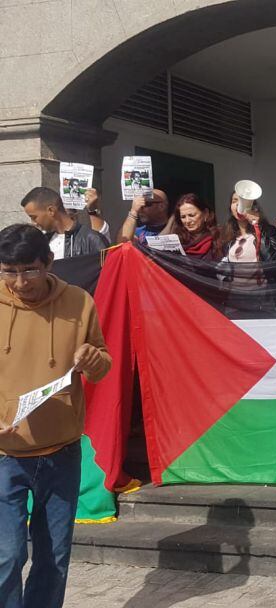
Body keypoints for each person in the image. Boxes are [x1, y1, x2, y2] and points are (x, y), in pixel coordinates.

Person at [0, 224, 112, 608]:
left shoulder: (79, 302)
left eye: (29, 270)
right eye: (8, 271)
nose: (19, 282)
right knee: (7, 556)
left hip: (61, 452)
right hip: (4, 454)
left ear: (48, 263)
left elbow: (102, 362)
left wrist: (92, 359)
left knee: (54, 558)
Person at [20, 187, 109, 260]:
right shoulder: (41, 242)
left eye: (34, 217)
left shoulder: (91, 238)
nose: (33, 223)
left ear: (51, 210)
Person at [222, 194, 276, 262]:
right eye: (234, 201)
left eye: (243, 201)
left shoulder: (270, 231)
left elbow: (273, 261)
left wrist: (258, 226)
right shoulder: (228, 235)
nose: (238, 204)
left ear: (253, 207)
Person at [168, 193, 223, 260]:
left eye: (192, 215)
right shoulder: (175, 241)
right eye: (183, 217)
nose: (187, 221)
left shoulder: (220, 238)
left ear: (205, 213)